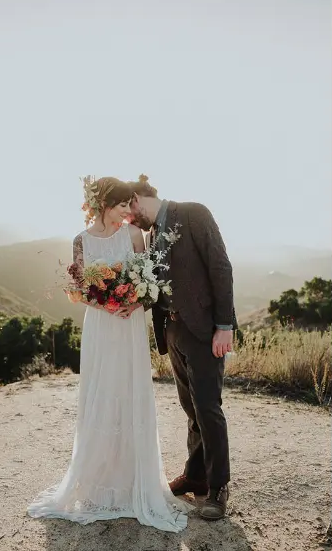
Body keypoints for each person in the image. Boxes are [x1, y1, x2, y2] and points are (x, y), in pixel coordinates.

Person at [27, 176, 192, 532]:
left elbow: (150, 284)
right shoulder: (80, 241)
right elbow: (78, 290)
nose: (126, 214)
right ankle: (100, 478)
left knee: (130, 392)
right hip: (101, 326)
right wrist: (105, 302)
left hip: (129, 324)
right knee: (103, 393)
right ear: (105, 205)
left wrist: (132, 303)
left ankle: (134, 480)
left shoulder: (134, 236)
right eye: (121, 207)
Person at [128, 174, 237, 521]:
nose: (130, 219)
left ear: (137, 198)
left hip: (205, 330)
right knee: (190, 407)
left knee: (208, 408)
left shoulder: (193, 214)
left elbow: (221, 267)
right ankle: (195, 475)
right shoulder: (151, 235)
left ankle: (219, 487)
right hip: (172, 329)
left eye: (130, 211)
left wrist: (224, 326)